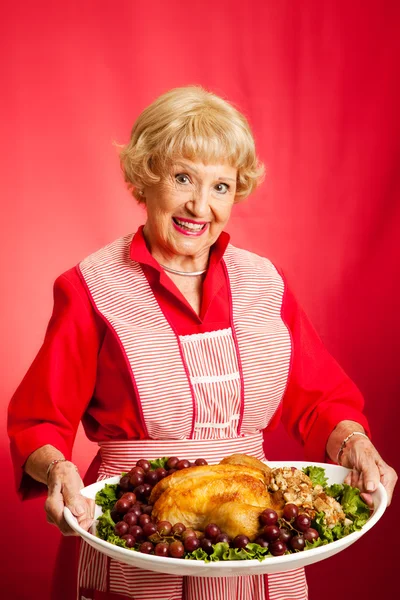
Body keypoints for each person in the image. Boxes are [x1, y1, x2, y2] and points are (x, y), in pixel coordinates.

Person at [8, 86, 397, 600]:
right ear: (146, 178)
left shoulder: (265, 282)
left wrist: (356, 444)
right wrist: (58, 470)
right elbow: (39, 421)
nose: (200, 205)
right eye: (183, 178)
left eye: (221, 186)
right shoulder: (90, 286)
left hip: (257, 530)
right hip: (137, 529)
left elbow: (320, 399)